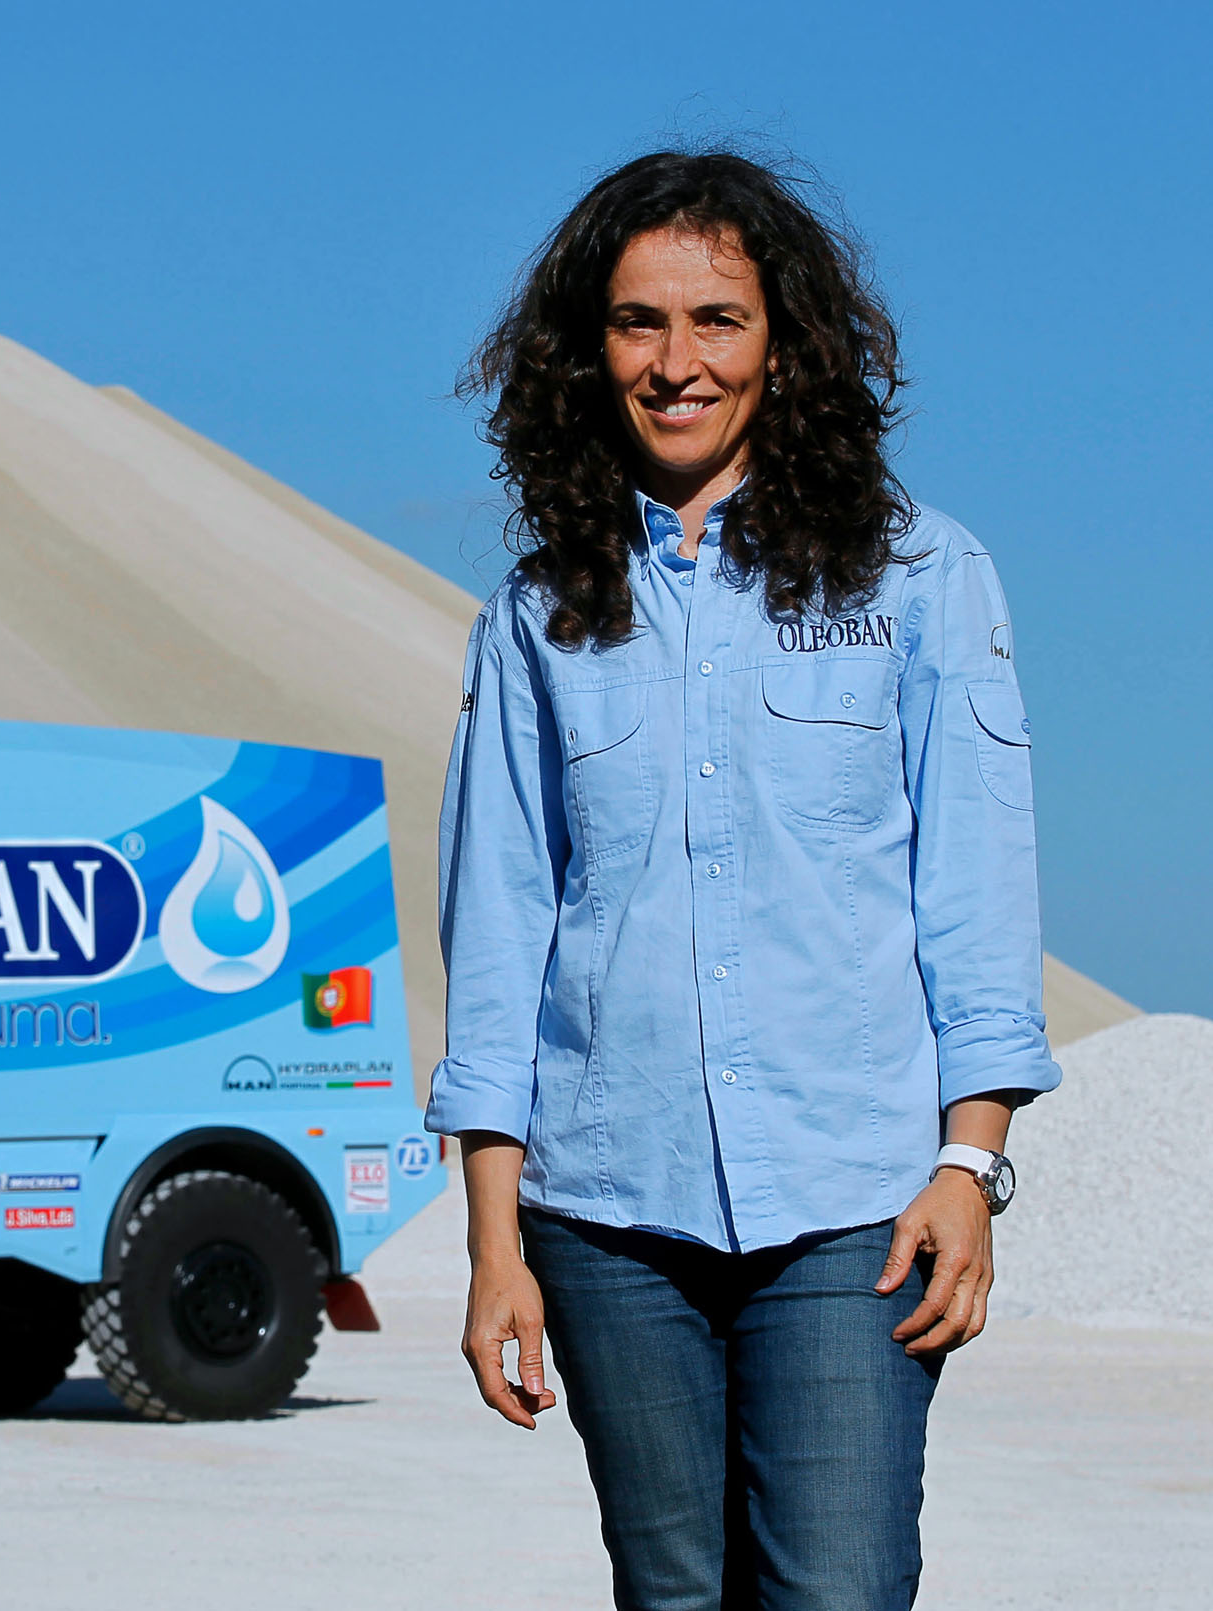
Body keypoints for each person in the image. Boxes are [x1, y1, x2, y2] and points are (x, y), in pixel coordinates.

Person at [427, 148, 1059, 1610]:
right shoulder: (536, 613)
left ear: (787, 341)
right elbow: (502, 926)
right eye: (638, 323)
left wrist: (970, 1168)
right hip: (606, 1215)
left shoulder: (920, 576)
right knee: (673, 1598)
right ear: (587, 352)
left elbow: (977, 897)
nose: (677, 363)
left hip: (856, 1203)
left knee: (837, 1590)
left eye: (718, 319)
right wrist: (494, 1244)